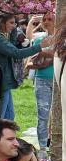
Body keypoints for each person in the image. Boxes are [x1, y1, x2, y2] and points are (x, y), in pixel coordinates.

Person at [0, 13, 47, 120]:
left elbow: (11, 46)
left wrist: (13, 30)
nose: (14, 25)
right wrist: (40, 46)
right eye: (11, 23)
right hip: (1, 82)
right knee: (0, 118)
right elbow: (16, 53)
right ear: (2, 23)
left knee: (9, 117)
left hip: (2, 81)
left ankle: (6, 135)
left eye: (15, 23)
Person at [26, 12, 54, 148]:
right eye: (45, 19)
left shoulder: (63, 39)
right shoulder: (40, 39)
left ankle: (57, 145)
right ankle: (43, 148)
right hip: (42, 80)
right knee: (43, 116)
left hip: (59, 81)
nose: (47, 21)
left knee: (60, 116)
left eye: (50, 19)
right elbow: (32, 56)